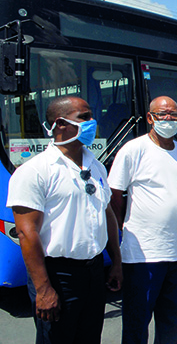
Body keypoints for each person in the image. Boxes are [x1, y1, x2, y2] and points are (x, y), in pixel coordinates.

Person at [7, 96, 122, 344]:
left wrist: (116, 262)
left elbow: (107, 214)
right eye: (85, 117)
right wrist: (44, 289)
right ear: (60, 123)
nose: (93, 122)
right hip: (58, 276)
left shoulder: (96, 166)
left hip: (93, 272)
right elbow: (27, 233)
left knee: (89, 338)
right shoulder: (35, 171)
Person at [108, 96, 177, 344]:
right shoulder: (133, 149)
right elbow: (114, 194)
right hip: (142, 256)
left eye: (174, 114)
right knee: (137, 324)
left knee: (171, 323)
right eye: (163, 114)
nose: (169, 119)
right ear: (150, 118)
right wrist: (122, 228)